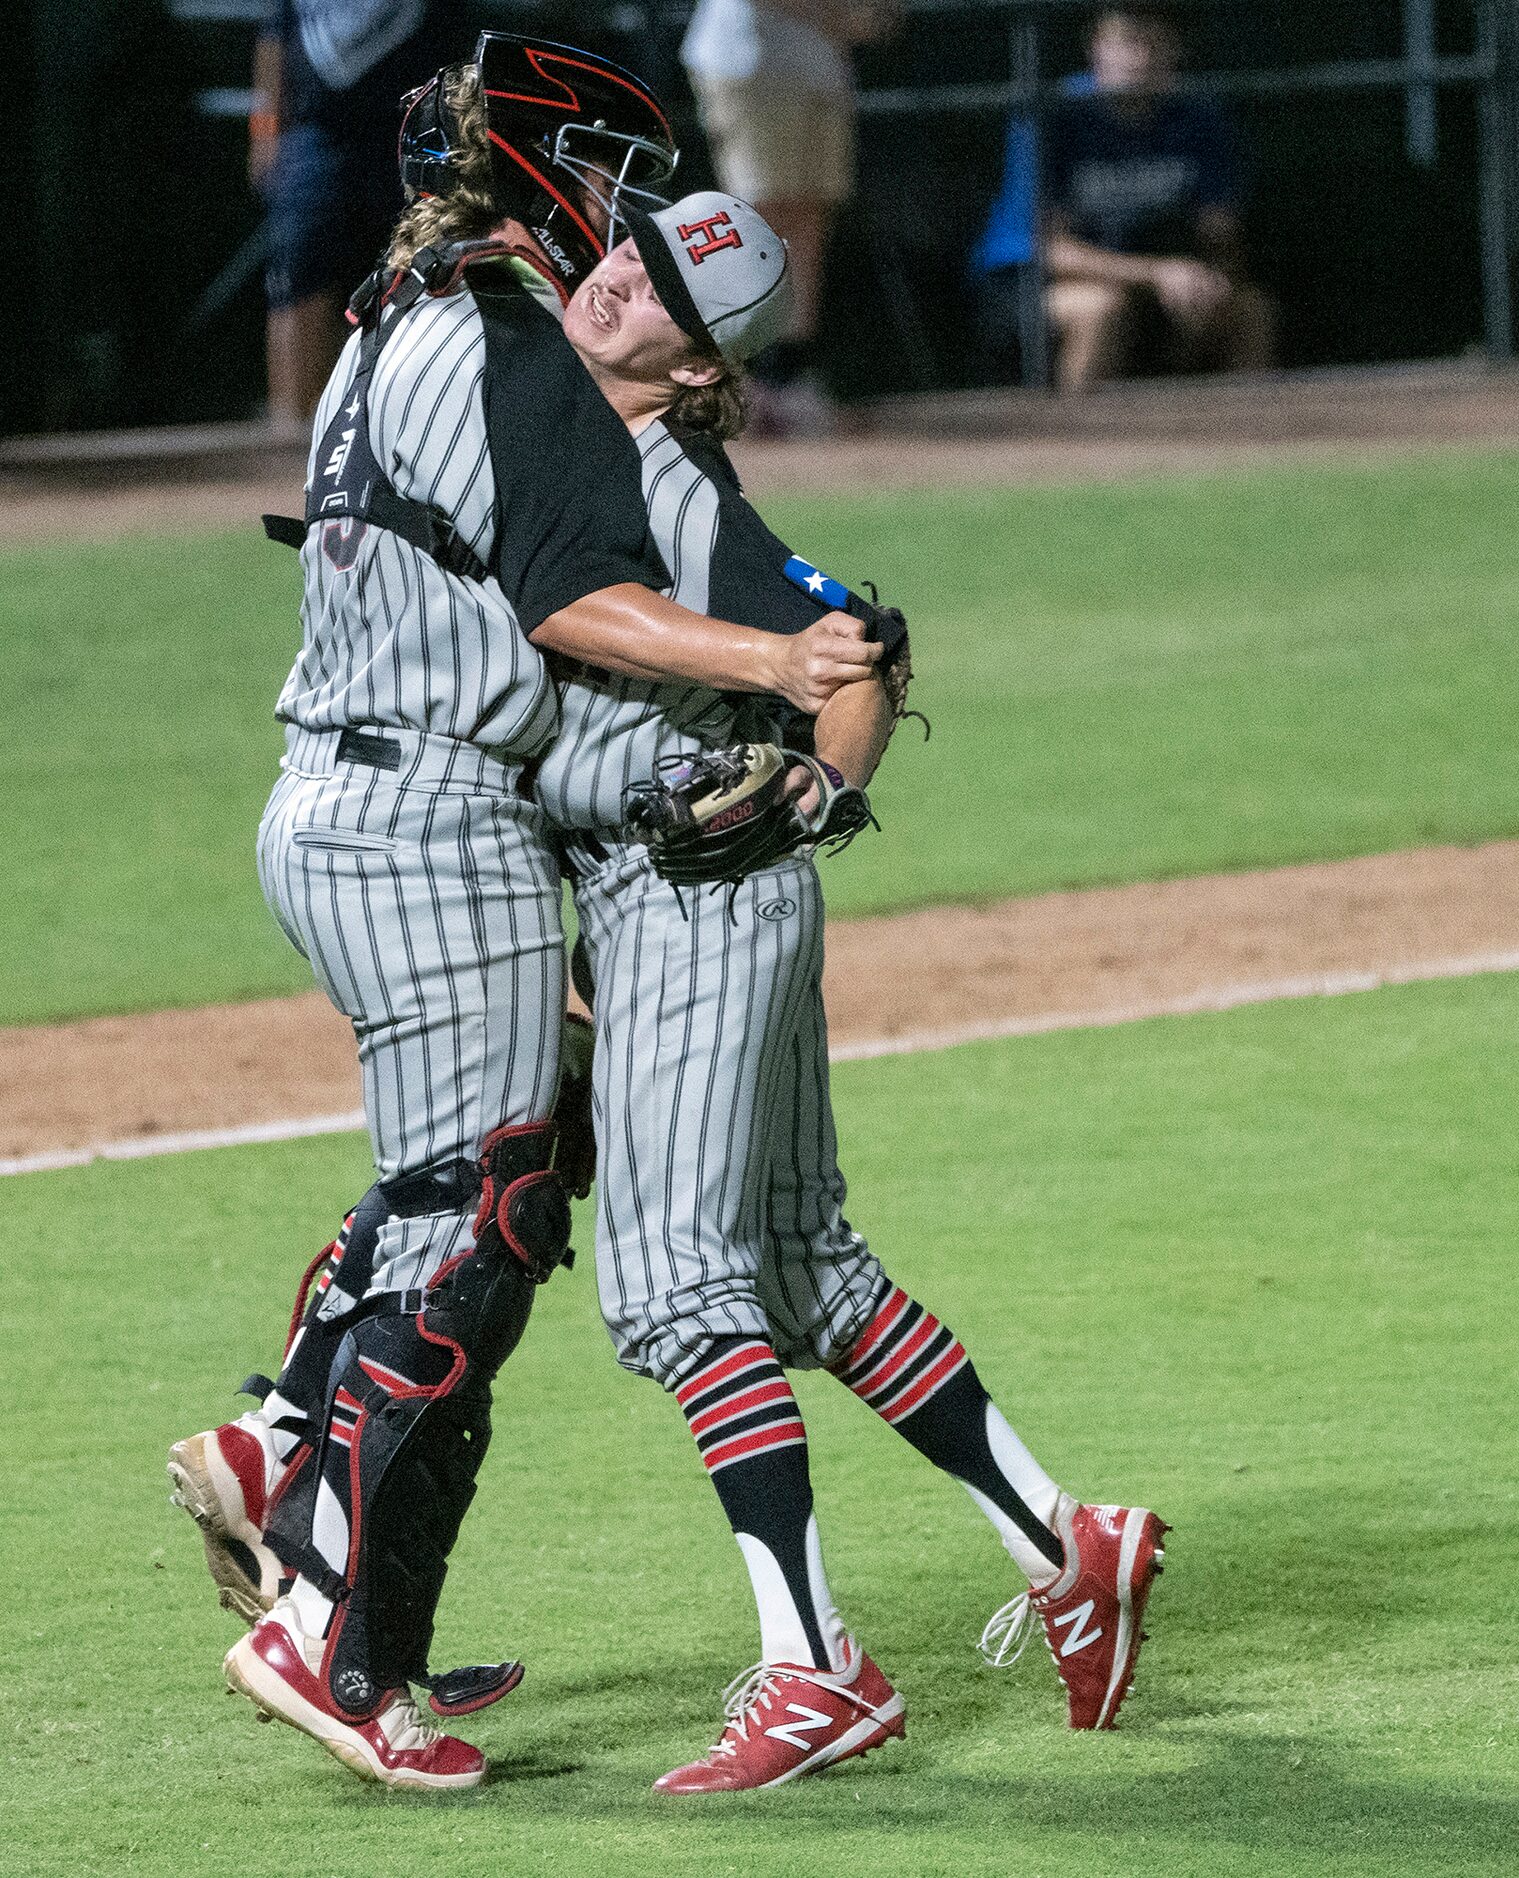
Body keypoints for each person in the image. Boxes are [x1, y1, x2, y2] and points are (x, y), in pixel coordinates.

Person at [167, 33, 878, 1793]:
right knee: (478, 1215)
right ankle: (324, 1613)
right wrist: (781, 665)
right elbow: (577, 600)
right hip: (424, 813)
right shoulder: (509, 348)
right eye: (614, 204)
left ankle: (305, 1501)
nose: (625, 239)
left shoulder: (387, 312)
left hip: (337, 793)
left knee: (477, 1180)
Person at [535, 190, 1171, 1792]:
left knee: (680, 1290)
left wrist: (820, 788)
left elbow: (859, 642)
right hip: (705, 906)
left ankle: (816, 1666)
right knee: (805, 1270)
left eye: (666, 284)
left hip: (692, 899)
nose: (621, 279)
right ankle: (1065, 1540)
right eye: (630, 247)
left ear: (699, 366)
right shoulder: (587, 435)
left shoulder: (667, 483)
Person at [679, 0, 900, 433]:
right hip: (749, 65)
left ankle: (788, 378)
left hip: (819, 70)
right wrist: (838, 14)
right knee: (754, 223)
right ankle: (734, 385)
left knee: (809, 220)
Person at [249, 0, 460, 427]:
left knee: (409, 274)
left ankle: (396, 424)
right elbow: (274, 43)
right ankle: (291, 425)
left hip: (408, 130)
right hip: (316, 133)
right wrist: (264, 133)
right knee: (297, 273)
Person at [1044, 5, 1274, 390]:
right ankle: (1079, 442)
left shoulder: (1200, 117)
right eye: (1126, 44)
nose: (1140, 59)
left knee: (1249, 313)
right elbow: (1051, 252)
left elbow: (1219, 232)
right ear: (1095, 49)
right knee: (1100, 309)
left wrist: (1208, 281)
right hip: (1043, 283)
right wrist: (1156, 274)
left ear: (1175, 52)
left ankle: (1249, 445)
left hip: (1165, 276)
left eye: (1154, 45)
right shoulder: (1056, 114)